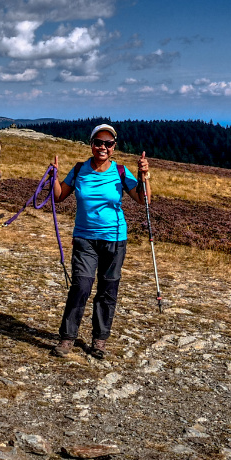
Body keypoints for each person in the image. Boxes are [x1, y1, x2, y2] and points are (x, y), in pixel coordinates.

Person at [50, 123, 150, 358]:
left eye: (108, 143)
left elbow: (142, 200)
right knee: (81, 286)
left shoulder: (122, 172)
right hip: (85, 238)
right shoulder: (78, 169)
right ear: (91, 144)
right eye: (98, 142)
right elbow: (59, 196)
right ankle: (67, 338)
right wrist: (53, 176)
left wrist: (145, 176)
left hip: (115, 239)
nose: (103, 147)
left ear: (114, 147)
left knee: (108, 290)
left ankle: (99, 340)